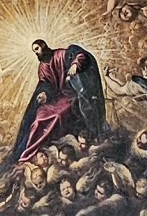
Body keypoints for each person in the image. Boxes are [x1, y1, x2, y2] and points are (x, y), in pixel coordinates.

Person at [7, 39, 105, 169]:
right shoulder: (42, 67)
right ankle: (30, 152)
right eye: (34, 51)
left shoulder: (61, 55)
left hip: (71, 95)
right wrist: (44, 93)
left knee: (57, 116)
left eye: (37, 49)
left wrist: (75, 64)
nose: (36, 53)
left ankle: (48, 144)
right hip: (56, 98)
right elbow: (45, 84)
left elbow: (81, 55)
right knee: (39, 117)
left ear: (44, 46)